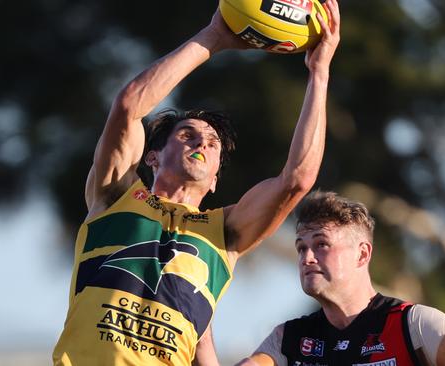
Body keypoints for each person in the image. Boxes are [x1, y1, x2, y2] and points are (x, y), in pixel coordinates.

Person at [52, 1, 341, 365]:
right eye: (187, 134)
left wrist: (319, 72)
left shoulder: (225, 233)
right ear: (152, 158)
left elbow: (297, 178)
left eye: (213, 142)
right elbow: (128, 106)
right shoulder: (115, 195)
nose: (202, 142)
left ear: (216, 179)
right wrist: (214, 37)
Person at [237, 191, 445, 366]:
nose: (307, 257)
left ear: (362, 255)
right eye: (301, 247)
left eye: (321, 245)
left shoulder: (412, 324)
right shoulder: (289, 338)